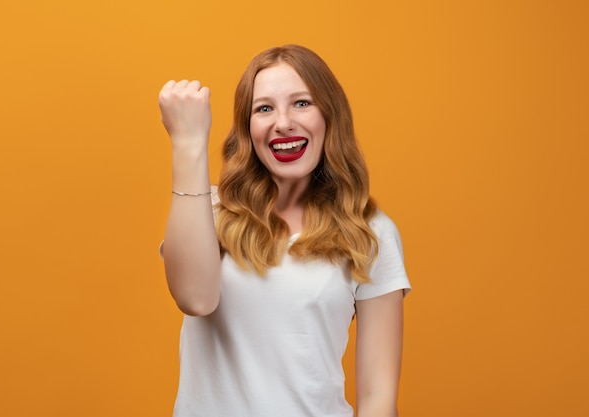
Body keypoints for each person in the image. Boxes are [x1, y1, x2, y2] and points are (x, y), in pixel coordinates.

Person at [158, 44, 411, 417]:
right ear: (248, 128)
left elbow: (377, 396)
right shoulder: (208, 211)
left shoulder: (370, 233)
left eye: (302, 103)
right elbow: (195, 299)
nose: (283, 122)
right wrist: (188, 142)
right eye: (264, 108)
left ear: (329, 115)